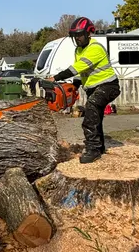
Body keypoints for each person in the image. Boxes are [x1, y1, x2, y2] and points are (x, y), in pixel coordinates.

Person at [48, 16, 120, 163]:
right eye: (75, 36)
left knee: (91, 107)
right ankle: (99, 147)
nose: (78, 39)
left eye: (80, 35)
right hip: (93, 88)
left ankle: (93, 149)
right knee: (96, 117)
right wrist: (74, 85)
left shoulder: (95, 48)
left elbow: (76, 68)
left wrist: (55, 78)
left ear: (89, 33)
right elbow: (82, 72)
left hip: (108, 86)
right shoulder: (78, 51)